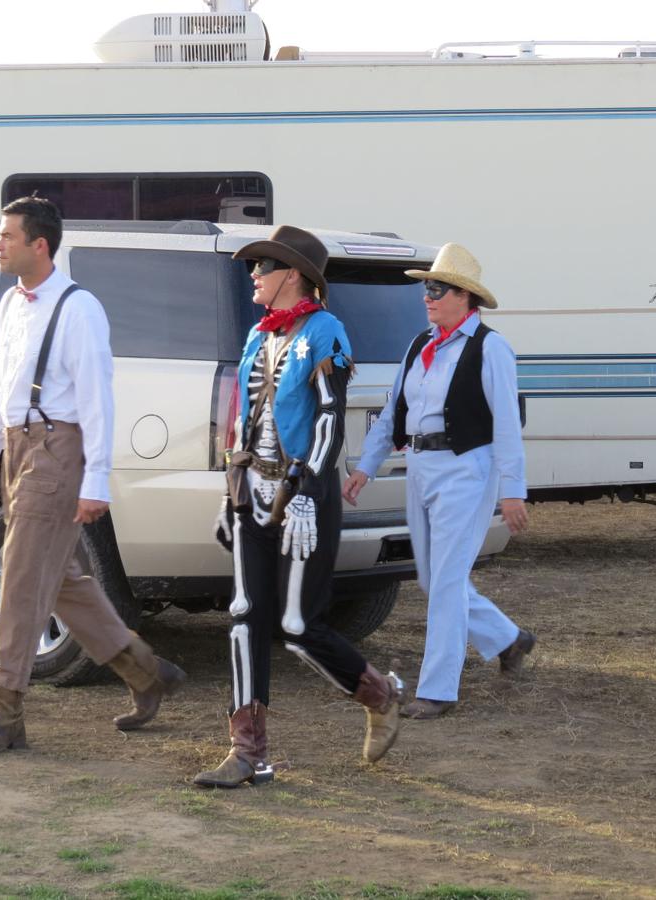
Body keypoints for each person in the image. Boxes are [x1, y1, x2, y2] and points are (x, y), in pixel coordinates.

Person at [0, 196, 185, 753]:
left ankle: (7, 711)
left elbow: (97, 398)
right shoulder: (10, 304)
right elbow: (2, 384)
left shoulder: (80, 309)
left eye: (6, 236)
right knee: (60, 580)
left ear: (40, 244)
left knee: (23, 576)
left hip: (58, 449)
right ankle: (146, 672)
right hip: (17, 446)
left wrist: (96, 480)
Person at [193, 225, 401, 788]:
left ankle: (378, 694)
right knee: (243, 616)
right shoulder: (258, 336)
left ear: (294, 275)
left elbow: (332, 417)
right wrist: (227, 490)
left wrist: (307, 491)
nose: (253, 276)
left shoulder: (325, 331)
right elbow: (244, 419)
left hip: (301, 491)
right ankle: (247, 752)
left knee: (296, 623)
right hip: (249, 490)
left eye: (262, 266)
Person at [343, 243, 536, 720]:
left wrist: (513, 489)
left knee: (447, 581)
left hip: (467, 467)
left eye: (437, 287)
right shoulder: (419, 345)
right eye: (425, 287)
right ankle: (508, 640)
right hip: (422, 467)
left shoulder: (491, 347)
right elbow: (393, 414)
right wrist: (366, 466)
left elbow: (507, 423)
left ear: (465, 296)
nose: (426, 295)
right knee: (434, 580)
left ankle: (438, 689)